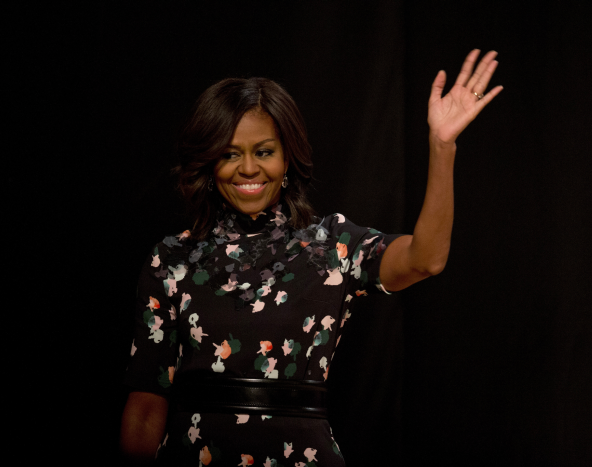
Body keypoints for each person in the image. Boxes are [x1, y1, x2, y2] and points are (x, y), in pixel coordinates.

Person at [121, 50, 502, 465]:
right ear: (210, 165)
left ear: (287, 159)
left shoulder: (332, 245)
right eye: (230, 154)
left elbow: (424, 259)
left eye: (264, 152)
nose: (248, 168)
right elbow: (145, 403)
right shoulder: (172, 258)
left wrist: (441, 146)